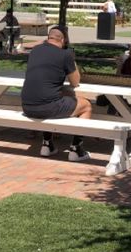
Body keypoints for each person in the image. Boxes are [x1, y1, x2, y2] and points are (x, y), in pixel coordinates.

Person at [21, 25, 92, 161]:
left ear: (49, 37)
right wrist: (72, 58)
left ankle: (47, 144)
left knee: (55, 97)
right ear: (63, 40)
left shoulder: (35, 51)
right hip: (47, 108)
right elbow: (75, 82)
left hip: (27, 106)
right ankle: (76, 150)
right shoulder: (65, 55)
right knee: (86, 106)